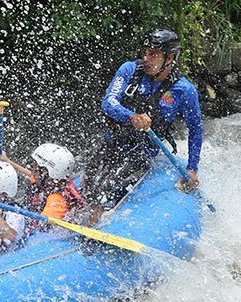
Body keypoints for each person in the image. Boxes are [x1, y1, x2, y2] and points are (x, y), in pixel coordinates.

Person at [85, 28, 203, 220]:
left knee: (105, 190)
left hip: (142, 151)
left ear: (170, 58)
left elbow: (195, 130)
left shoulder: (184, 90)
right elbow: (108, 103)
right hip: (113, 141)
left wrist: (192, 168)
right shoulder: (129, 70)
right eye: (145, 52)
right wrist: (131, 116)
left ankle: (93, 230)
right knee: (89, 180)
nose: (146, 58)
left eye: (153, 54)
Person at [1, 143, 84, 224]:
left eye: (35, 167)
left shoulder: (56, 200)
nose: (32, 170)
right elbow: (30, 174)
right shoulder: (53, 182)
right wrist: (8, 161)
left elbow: (42, 228)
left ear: (46, 172)